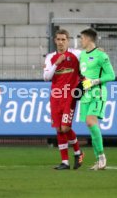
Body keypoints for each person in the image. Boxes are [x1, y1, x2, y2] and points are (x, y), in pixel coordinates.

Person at [44, 29, 84, 170]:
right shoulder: (50, 57)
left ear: (68, 40)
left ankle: (78, 152)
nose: (61, 42)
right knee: (59, 129)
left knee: (65, 127)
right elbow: (46, 77)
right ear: (55, 41)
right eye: (58, 39)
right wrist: (57, 63)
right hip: (55, 96)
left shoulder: (77, 54)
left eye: (63, 39)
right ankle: (65, 162)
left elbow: (89, 62)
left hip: (70, 96)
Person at [79, 28, 115, 170]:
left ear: (88, 39)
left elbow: (111, 75)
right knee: (90, 125)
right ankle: (99, 159)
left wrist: (94, 81)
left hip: (98, 93)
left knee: (90, 121)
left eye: (82, 38)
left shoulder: (101, 55)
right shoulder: (82, 55)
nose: (81, 41)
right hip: (86, 95)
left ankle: (101, 157)